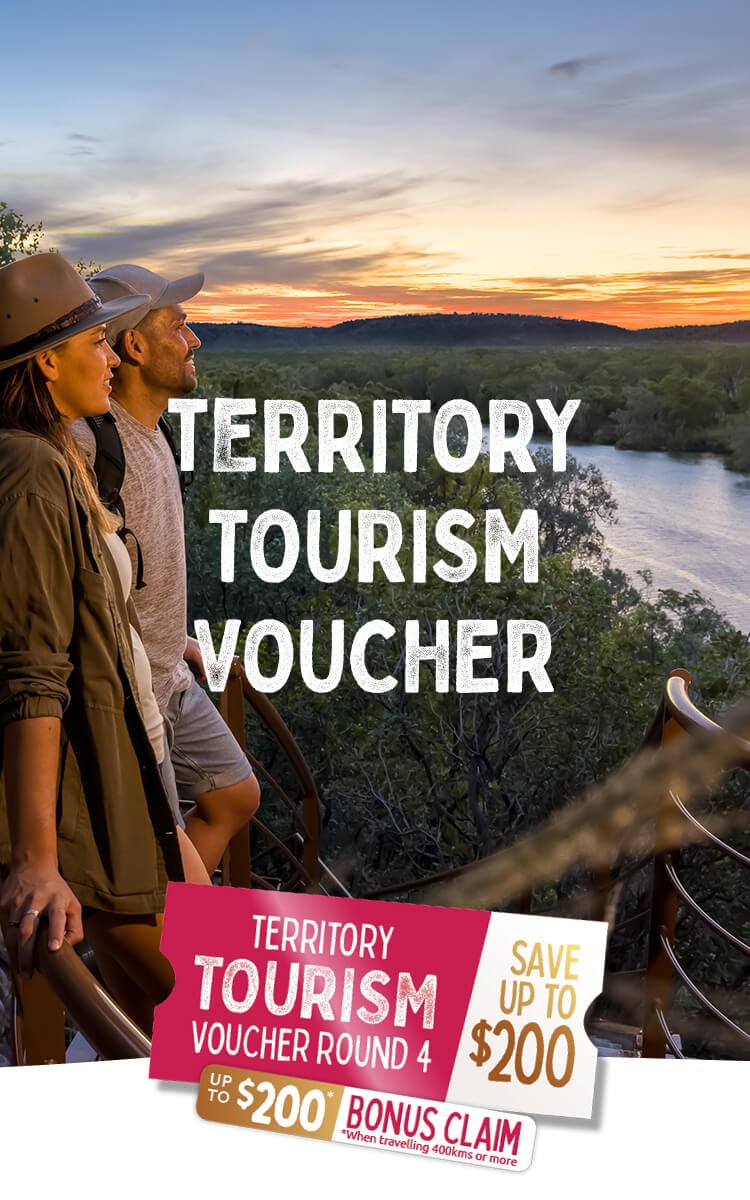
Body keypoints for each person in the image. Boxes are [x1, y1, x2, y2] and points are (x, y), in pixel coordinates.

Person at [0, 253, 207, 1035]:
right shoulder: (29, 470)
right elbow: (33, 669)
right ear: (47, 360)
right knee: (229, 1016)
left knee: (218, 984)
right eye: (94, 341)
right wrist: (35, 861)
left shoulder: (54, 458)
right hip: (90, 801)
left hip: (129, 774)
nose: (109, 354)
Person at [75, 265, 260, 875]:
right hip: (130, 699)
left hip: (167, 672)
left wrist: (173, 635)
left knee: (236, 796)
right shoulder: (85, 445)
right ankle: (153, 946)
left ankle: (150, 935)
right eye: (179, 326)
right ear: (134, 345)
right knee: (179, 875)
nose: (195, 340)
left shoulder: (156, 432)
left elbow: (135, 564)